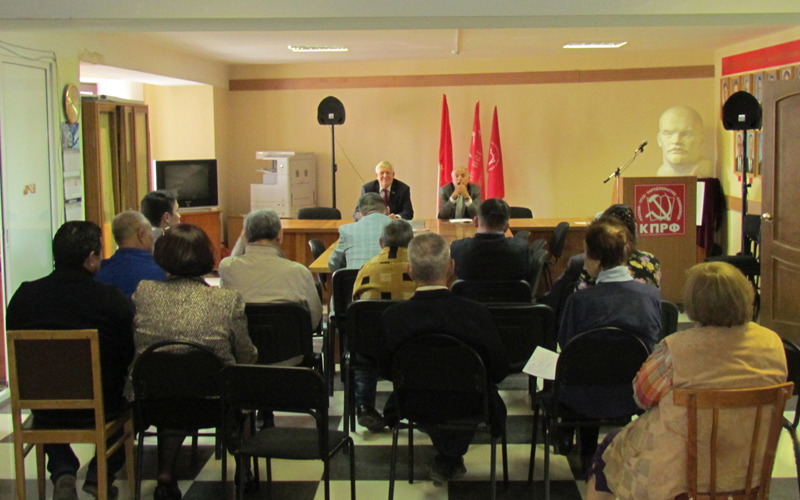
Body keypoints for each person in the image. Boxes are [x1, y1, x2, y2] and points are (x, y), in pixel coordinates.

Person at [585, 262, 787, 500]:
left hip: (680, 471)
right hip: (745, 466)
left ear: (695, 303)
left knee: (608, 449)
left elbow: (642, 397)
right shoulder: (772, 343)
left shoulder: (677, 349)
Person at [6, 221, 134, 500]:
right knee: (134, 405)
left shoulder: (23, 297)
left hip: (43, 406)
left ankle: (63, 468)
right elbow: (128, 352)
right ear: (91, 258)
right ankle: (99, 474)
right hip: (102, 406)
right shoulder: (109, 298)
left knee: (47, 405)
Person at [132, 224, 257, 500]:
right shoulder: (227, 299)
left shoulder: (144, 292)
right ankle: (244, 467)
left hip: (154, 402)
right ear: (206, 256)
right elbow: (246, 355)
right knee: (242, 383)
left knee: (174, 385)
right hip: (215, 404)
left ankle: (166, 472)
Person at [378, 233, 509, 484]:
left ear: (409, 270)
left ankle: (448, 455)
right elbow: (499, 370)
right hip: (470, 404)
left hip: (413, 402)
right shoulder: (476, 314)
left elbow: (385, 370)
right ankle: (450, 455)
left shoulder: (392, 317)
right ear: (451, 268)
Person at [557, 217, 662, 467]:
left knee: (583, 370)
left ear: (595, 261)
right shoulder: (650, 296)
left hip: (582, 395)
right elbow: (654, 341)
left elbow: (566, 345)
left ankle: (586, 459)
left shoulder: (579, 301)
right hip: (634, 392)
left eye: (585, 253)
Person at [350, 219, 417, 432]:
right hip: (412, 346)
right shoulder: (419, 270)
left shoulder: (366, 268)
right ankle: (408, 403)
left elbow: (355, 306)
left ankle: (364, 406)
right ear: (411, 243)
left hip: (372, 348)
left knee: (362, 341)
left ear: (381, 242)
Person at [220, 209, 322, 328]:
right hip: (288, 339)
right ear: (280, 235)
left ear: (245, 238)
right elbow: (313, 320)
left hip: (242, 339)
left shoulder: (227, 268)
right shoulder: (300, 272)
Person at [450, 198, 532, 283]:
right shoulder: (521, 250)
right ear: (506, 227)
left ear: (476, 222)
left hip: (469, 292)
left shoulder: (458, 248)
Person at [95, 211, 167, 299]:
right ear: (141, 234)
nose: (152, 238)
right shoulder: (160, 271)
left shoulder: (99, 272)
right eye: (150, 233)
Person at [328, 192, 392, 271]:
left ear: (359, 215)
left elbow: (333, 264)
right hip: (389, 276)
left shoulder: (347, 230)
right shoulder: (400, 227)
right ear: (387, 210)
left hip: (354, 278)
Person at [655, 105, 714, 178]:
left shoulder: (703, 171)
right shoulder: (661, 173)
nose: (676, 141)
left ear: (701, 140)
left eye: (686, 134)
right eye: (668, 134)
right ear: (659, 140)